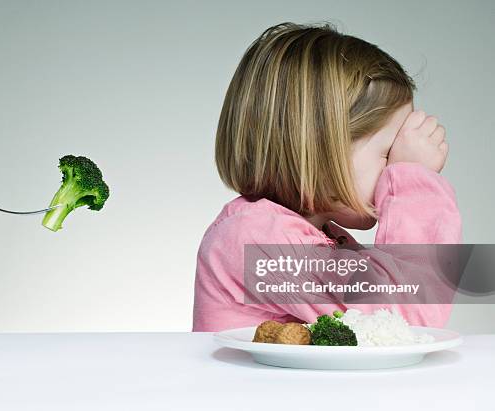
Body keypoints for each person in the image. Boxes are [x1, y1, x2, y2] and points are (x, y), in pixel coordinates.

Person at [192, 22, 461, 332]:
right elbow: (400, 322)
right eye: (389, 154)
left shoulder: (311, 237)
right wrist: (416, 184)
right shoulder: (259, 241)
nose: (394, 172)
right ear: (320, 148)